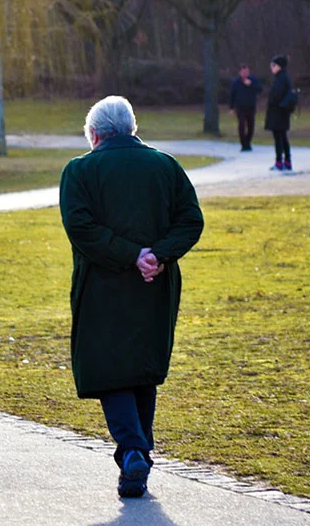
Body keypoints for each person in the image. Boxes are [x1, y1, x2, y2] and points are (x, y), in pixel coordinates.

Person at [59, 96, 204, 499]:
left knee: (110, 369)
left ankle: (134, 450)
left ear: (94, 134)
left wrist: (130, 254)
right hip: (154, 283)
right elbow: (191, 220)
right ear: (132, 128)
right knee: (142, 366)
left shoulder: (80, 171)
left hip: (103, 285)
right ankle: (138, 453)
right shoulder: (165, 165)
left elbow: (81, 227)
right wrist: (156, 254)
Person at [264, 54, 297, 171]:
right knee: (283, 137)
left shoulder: (280, 78)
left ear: (279, 66)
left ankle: (279, 162)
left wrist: (272, 102)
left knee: (279, 138)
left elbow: (276, 96)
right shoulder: (283, 77)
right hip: (281, 112)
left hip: (278, 112)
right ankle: (287, 161)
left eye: (274, 65)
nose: (272, 67)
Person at [228, 63, 263, 151]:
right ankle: (243, 144)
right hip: (240, 107)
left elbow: (260, 89)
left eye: (246, 72)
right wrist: (231, 108)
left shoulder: (253, 80)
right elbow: (232, 95)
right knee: (241, 125)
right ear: (240, 73)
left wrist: (251, 85)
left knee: (251, 126)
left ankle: (248, 142)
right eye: (243, 72)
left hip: (251, 107)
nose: (245, 74)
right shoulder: (235, 82)